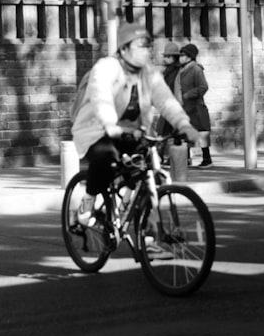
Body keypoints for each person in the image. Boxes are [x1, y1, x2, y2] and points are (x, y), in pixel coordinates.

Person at [71, 22, 199, 223]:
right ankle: (88, 200)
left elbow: (166, 101)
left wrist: (184, 124)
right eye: (139, 45)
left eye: (147, 45)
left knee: (145, 171)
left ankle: (145, 236)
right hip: (97, 130)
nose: (145, 51)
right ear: (123, 49)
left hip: (135, 132)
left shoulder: (148, 73)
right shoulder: (106, 67)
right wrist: (111, 125)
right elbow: (100, 96)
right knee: (106, 158)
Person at [177, 43, 212, 167]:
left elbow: (203, 87)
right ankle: (186, 159)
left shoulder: (196, 69)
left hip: (196, 107)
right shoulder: (182, 70)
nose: (180, 58)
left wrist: (188, 94)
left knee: (202, 132)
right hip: (186, 107)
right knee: (185, 133)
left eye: (183, 55)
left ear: (190, 57)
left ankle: (207, 158)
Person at [154, 40, 182, 138]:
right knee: (163, 134)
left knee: (173, 135)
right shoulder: (168, 71)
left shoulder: (178, 71)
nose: (165, 59)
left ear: (174, 57)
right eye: (165, 56)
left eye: (168, 56)